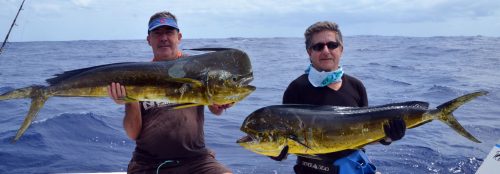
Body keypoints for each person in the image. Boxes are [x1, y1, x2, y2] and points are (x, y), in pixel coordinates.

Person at [269, 21, 407, 174]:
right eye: (318, 46)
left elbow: (365, 135)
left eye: (332, 45)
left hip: (354, 168)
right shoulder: (296, 89)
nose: (326, 51)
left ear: (341, 49)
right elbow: (285, 143)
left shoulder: (356, 86)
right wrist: (276, 154)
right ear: (309, 52)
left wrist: (388, 137)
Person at [107, 11, 233, 174]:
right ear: (149, 40)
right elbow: (132, 133)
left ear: (179, 37)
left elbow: (215, 108)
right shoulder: (137, 77)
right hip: (147, 164)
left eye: (169, 32)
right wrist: (129, 99)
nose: (163, 37)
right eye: (157, 33)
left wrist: (221, 105)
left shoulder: (197, 70)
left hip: (196, 161)